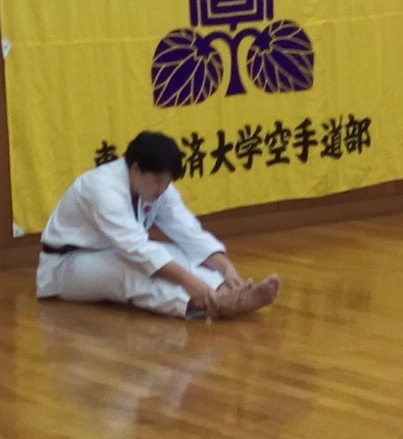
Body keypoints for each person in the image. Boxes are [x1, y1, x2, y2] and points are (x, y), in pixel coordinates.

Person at [37, 131, 280, 320]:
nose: (162, 188)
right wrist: (189, 282)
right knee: (131, 267)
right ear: (135, 169)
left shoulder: (157, 186)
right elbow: (135, 249)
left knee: (174, 252)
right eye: (157, 181)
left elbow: (188, 231)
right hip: (66, 266)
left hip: (109, 255)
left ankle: (227, 292)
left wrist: (226, 269)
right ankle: (210, 304)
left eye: (167, 181)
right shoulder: (102, 189)